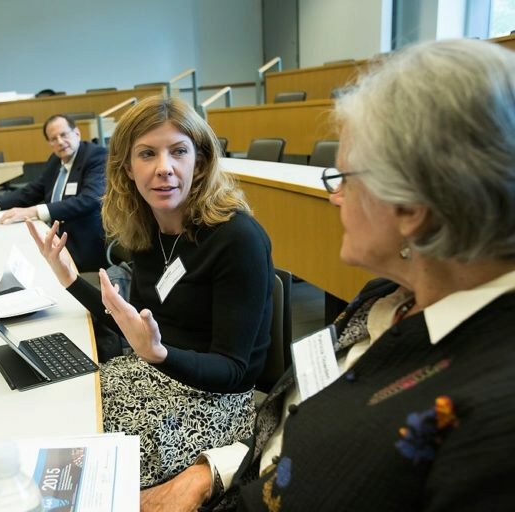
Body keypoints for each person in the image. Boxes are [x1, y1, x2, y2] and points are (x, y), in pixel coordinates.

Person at [140, 39, 515, 512]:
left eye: (345, 179)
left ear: (412, 208)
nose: (335, 198)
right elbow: (301, 423)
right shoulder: (386, 297)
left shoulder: (493, 426)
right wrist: (212, 473)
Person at [26, 96, 274, 487]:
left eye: (178, 151)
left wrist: (159, 354)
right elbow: (134, 322)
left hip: (214, 403)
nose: (164, 169)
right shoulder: (146, 228)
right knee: (61, 414)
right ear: (127, 166)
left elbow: (235, 371)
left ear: (201, 160)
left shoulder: (237, 238)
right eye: (147, 154)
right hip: (152, 374)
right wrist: (70, 279)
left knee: (88, 471)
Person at [0, 114, 107, 272]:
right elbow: (34, 190)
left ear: (77, 133)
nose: (60, 142)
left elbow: (89, 200)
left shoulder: (96, 156)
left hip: (82, 245)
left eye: (64, 135)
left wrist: (34, 211)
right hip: (52, 238)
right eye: (54, 139)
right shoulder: (56, 160)